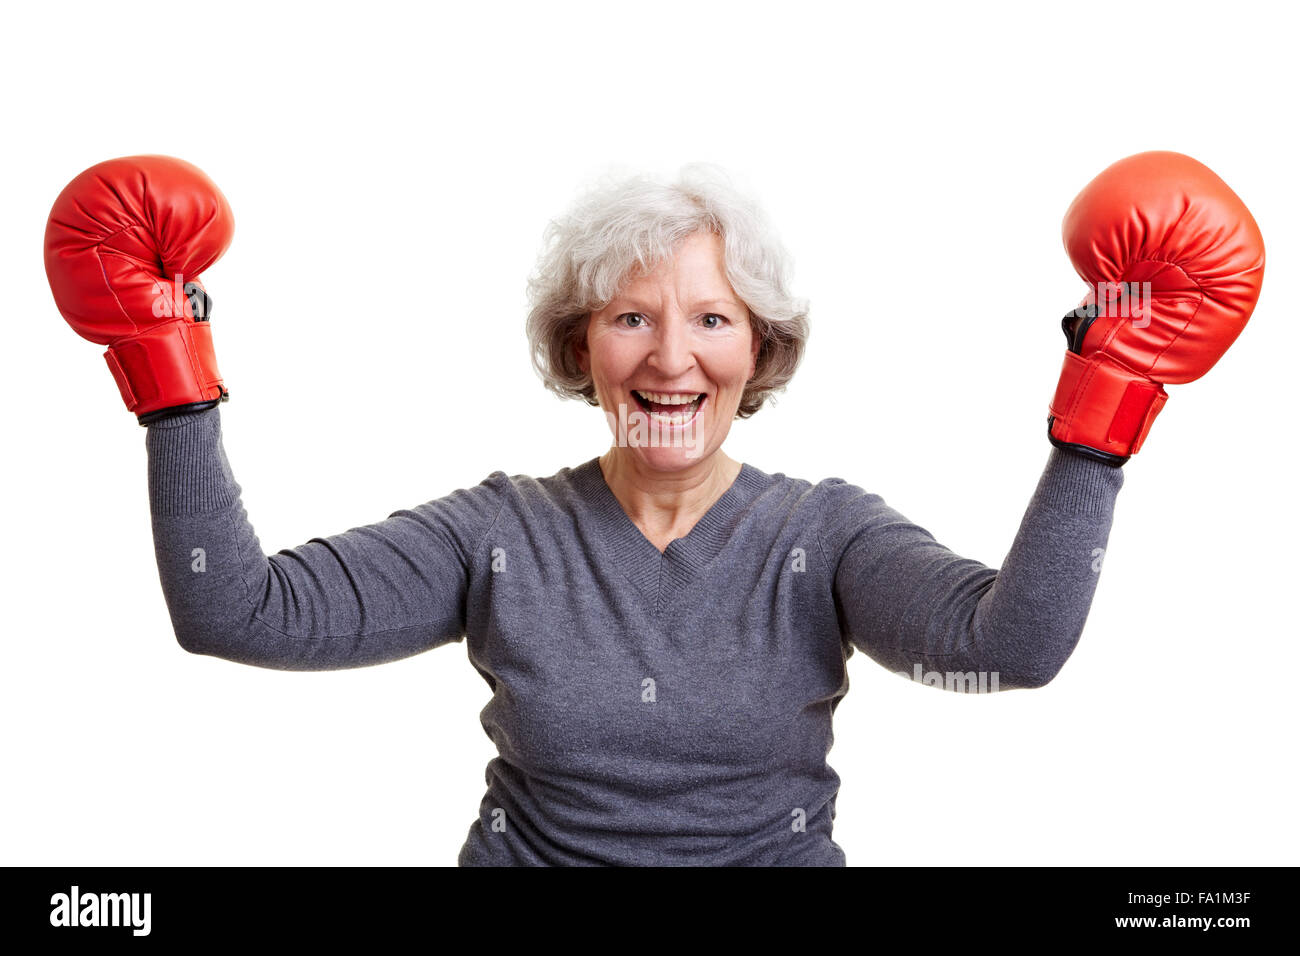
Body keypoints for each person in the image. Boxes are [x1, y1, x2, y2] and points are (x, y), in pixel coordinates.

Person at [43, 153, 1264, 866]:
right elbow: (231, 610)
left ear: (760, 350)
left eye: (710, 319)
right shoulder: (497, 531)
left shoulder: (823, 534)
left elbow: (1012, 650)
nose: (669, 356)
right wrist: (170, 377)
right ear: (582, 345)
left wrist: (1107, 407)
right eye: (630, 316)